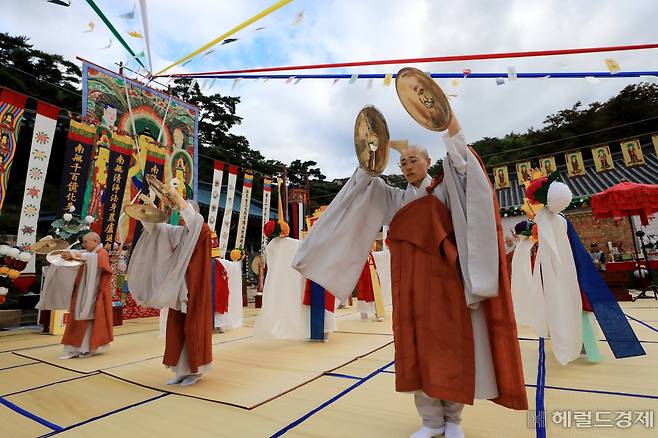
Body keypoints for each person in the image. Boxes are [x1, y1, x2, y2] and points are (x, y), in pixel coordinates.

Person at [293, 113, 527, 438]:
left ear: (428, 160)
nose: (406, 165)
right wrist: (370, 158)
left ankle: (454, 420)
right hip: (410, 288)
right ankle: (431, 421)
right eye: (402, 162)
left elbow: (463, 165)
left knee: (450, 347)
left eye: (412, 159)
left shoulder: (444, 189)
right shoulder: (398, 197)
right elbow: (365, 185)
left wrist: (449, 124)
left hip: (446, 285)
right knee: (416, 349)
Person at [127, 186, 212, 386]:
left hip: (194, 287)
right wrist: (148, 213)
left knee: (193, 327)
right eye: (181, 214)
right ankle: (180, 369)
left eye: (184, 212)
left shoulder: (203, 230)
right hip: (177, 287)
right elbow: (158, 231)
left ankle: (195, 370)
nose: (182, 217)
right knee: (175, 327)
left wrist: (177, 199)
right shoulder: (180, 232)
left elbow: (194, 221)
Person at [59, 232, 113, 359]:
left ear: (95, 241)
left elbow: (94, 260)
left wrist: (77, 255)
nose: (84, 244)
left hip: (95, 295)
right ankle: (74, 349)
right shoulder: (91, 254)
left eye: (86, 241)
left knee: (90, 322)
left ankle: (88, 348)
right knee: (76, 320)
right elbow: (86, 257)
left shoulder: (101, 253)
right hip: (82, 292)